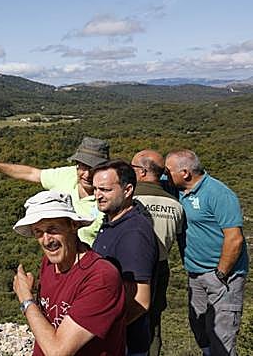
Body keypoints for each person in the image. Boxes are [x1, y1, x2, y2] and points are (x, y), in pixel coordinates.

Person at [12, 190, 126, 356]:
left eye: (52, 229)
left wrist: (26, 300)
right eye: (38, 232)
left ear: (73, 225)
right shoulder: (50, 263)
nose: (47, 240)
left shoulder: (101, 277)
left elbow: (58, 351)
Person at [165, 149, 248, 356]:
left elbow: (234, 238)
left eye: (169, 171)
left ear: (185, 173)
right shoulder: (180, 190)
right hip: (196, 274)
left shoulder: (218, 193)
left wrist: (221, 273)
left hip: (222, 276)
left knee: (222, 335)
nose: (166, 175)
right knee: (200, 328)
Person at [0, 136, 110, 245]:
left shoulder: (110, 197)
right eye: (81, 167)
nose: (86, 174)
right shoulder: (67, 175)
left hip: (91, 266)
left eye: (93, 168)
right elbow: (31, 173)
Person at [91, 160, 158, 356]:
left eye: (104, 189)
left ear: (127, 190)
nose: (97, 195)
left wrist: (103, 332)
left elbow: (140, 301)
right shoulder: (114, 221)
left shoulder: (134, 233)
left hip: (125, 344)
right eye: (95, 189)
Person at [131, 149, 185, 356]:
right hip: (160, 268)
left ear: (143, 172)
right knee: (154, 322)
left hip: (130, 268)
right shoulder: (176, 205)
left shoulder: (129, 198)